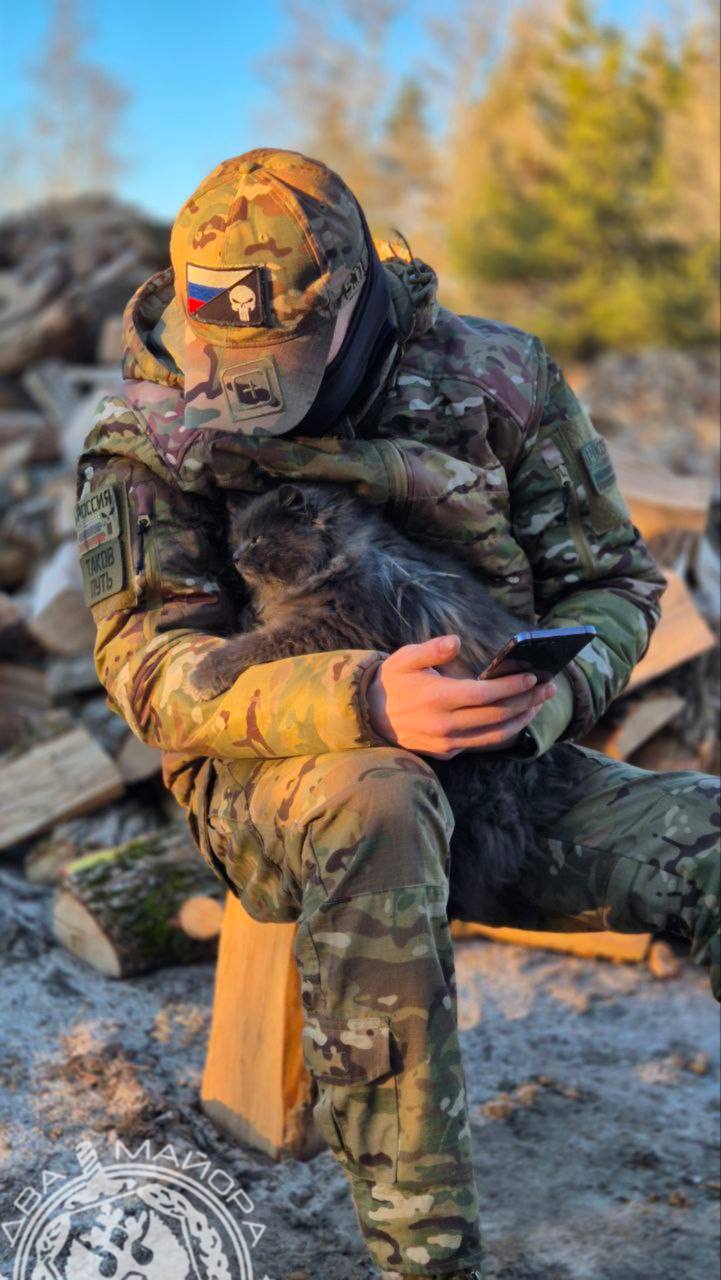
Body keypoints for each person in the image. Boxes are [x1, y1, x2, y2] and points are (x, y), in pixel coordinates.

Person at [75, 149, 720, 1280]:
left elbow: (614, 583)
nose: (242, 390)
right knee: (378, 796)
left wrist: (545, 696)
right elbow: (151, 671)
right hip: (279, 787)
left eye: (275, 361)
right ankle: (426, 1259)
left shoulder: (497, 378)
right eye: (223, 356)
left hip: (505, 761)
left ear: (350, 298)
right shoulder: (155, 430)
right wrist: (361, 698)